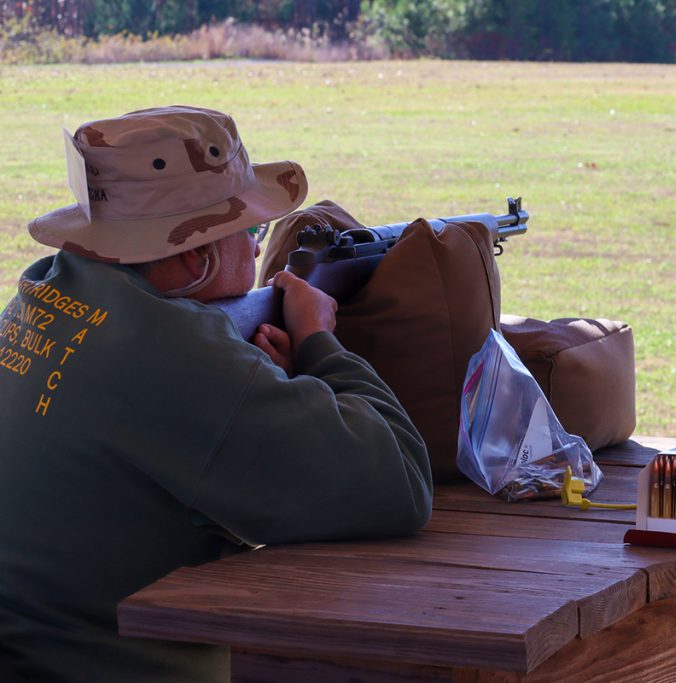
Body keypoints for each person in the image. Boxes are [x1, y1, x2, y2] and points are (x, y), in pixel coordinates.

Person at [0, 106, 432, 681]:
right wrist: (320, 343)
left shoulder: (41, 296)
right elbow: (399, 484)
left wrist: (262, 380)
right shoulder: (174, 354)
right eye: (250, 231)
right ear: (193, 256)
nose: (258, 252)